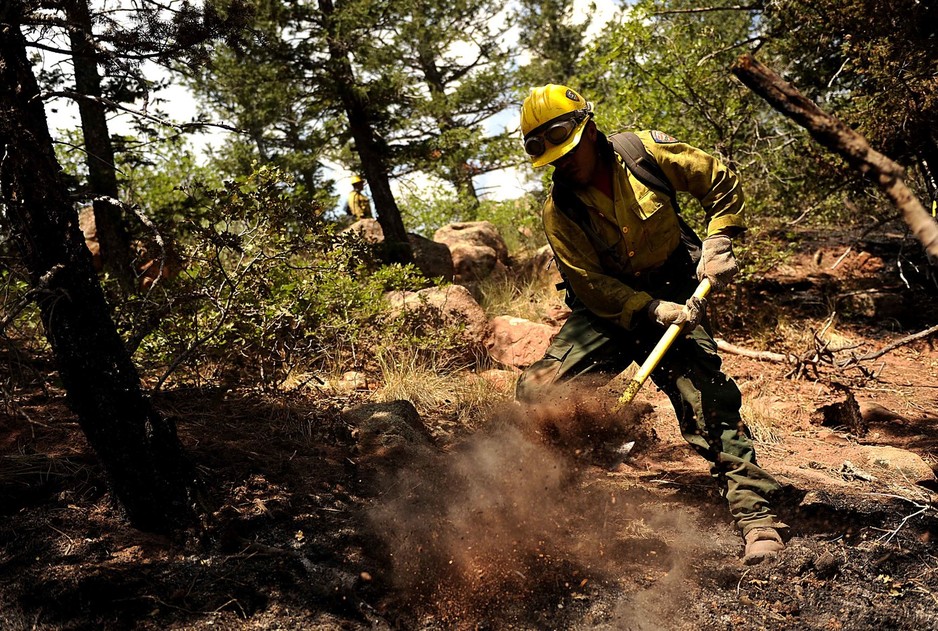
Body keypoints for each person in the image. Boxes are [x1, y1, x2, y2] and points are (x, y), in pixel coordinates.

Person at [516, 83, 787, 565]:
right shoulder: (559, 212)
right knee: (539, 392)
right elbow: (591, 284)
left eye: (568, 149)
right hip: (609, 313)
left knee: (708, 402)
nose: (564, 163)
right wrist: (648, 309)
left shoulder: (646, 153)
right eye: (552, 157)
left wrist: (720, 240)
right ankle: (548, 501)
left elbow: (719, 179)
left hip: (679, 295)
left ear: (589, 128)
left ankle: (756, 519)